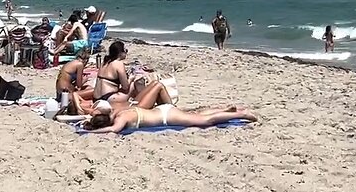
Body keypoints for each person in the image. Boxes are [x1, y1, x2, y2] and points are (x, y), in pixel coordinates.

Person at [84, 104, 258, 135]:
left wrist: (93, 131)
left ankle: (241, 114)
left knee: (204, 122)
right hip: (162, 110)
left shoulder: (119, 120)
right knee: (198, 115)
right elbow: (100, 110)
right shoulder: (117, 112)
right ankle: (226, 110)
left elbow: (113, 130)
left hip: (167, 117)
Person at [92, 40, 131, 107]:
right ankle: (141, 104)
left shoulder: (105, 62)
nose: (126, 53)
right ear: (120, 53)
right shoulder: (118, 64)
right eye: (125, 51)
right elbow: (125, 87)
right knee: (134, 83)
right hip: (108, 98)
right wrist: (131, 78)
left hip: (96, 98)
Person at [54, 49, 90, 115]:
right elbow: (79, 85)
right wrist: (85, 79)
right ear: (86, 60)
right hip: (66, 94)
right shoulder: (80, 64)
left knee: (86, 90)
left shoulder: (71, 63)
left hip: (60, 92)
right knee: (91, 90)